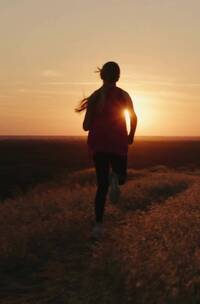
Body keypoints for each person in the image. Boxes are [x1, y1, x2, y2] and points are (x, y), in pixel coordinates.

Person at [75, 61, 137, 240]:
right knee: (121, 179)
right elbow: (133, 117)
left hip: (98, 144)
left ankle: (98, 226)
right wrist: (131, 135)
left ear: (102, 75)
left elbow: (86, 126)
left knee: (101, 186)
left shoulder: (95, 96)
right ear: (118, 76)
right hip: (118, 143)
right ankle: (115, 178)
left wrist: (94, 120)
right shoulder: (124, 95)